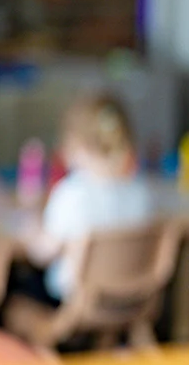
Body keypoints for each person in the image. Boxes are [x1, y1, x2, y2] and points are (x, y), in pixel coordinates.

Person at [26, 93, 153, 301]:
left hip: (79, 299)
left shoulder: (71, 193)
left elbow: (46, 251)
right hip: (132, 295)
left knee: (20, 292)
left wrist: (30, 235)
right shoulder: (140, 191)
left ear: (74, 145)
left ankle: (46, 331)